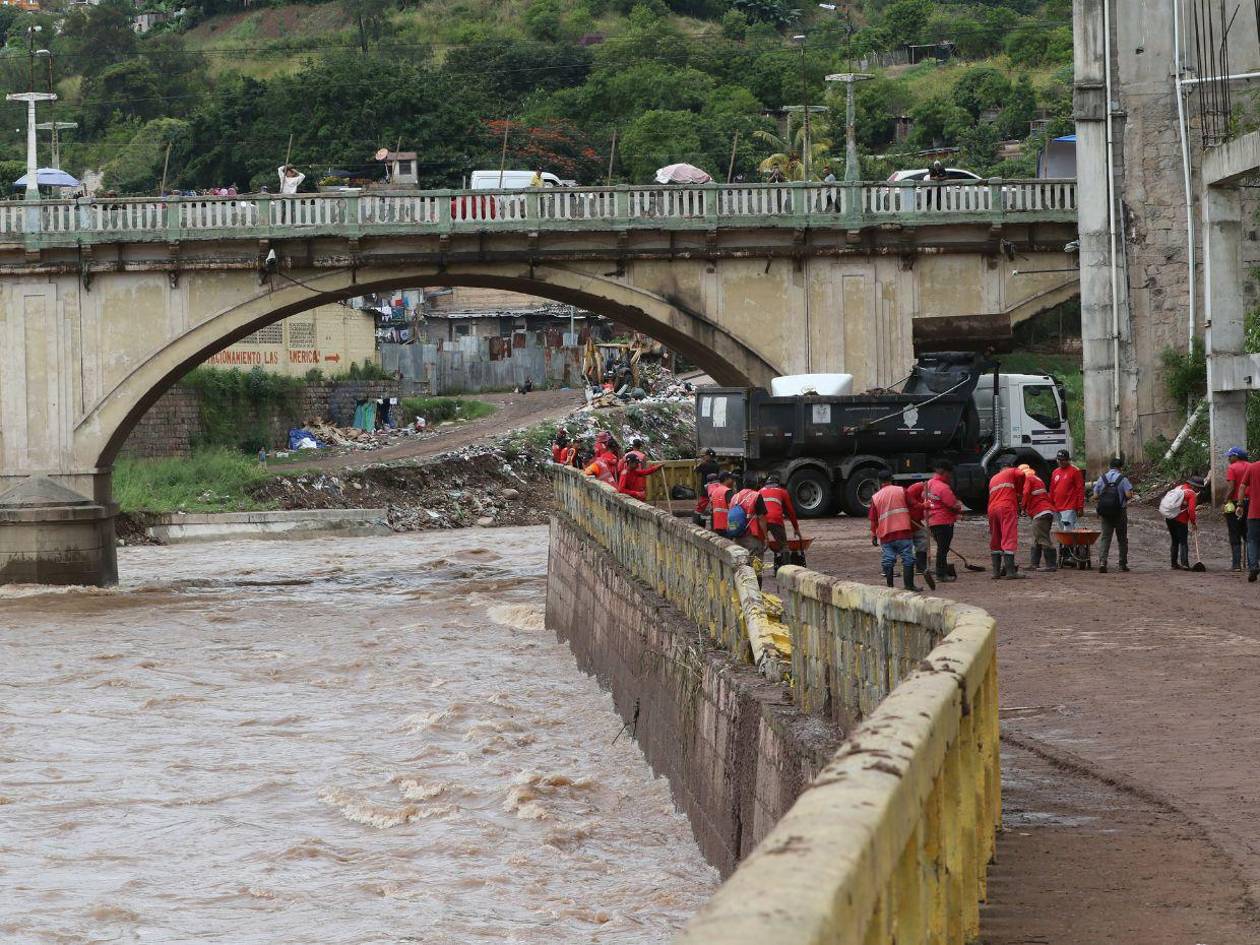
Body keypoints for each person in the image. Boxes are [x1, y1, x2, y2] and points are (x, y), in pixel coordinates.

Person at [869, 469, 920, 591]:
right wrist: (926, 505)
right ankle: (909, 585)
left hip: (886, 535)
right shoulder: (901, 491)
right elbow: (915, 504)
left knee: (888, 559)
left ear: (879, 481)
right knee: (908, 558)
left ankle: (890, 587)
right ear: (892, 479)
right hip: (903, 533)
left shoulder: (875, 497)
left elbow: (873, 520)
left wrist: (873, 535)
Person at [1092, 457, 1135, 574]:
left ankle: (1102, 562)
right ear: (1120, 468)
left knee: (1105, 538)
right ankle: (1122, 564)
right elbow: (1128, 494)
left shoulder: (1102, 478)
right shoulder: (1123, 479)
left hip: (1105, 513)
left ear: (1110, 467)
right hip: (1120, 512)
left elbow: (1095, 495)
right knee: (1122, 539)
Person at [925, 459, 963, 583]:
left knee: (942, 548)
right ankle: (941, 574)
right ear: (945, 472)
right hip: (944, 522)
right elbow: (952, 504)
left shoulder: (929, 484)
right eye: (949, 474)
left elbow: (923, 497)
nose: (950, 477)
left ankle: (942, 570)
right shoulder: (943, 487)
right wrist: (958, 507)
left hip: (932, 521)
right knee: (943, 549)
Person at [987, 458, 1026, 579]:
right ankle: (1010, 571)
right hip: (1006, 507)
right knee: (1009, 536)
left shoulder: (993, 478)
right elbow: (1021, 473)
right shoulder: (1011, 471)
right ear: (1009, 466)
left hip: (992, 509)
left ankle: (996, 572)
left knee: (996, 538)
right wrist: (1019, 491)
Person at [728, 478, 770, 580]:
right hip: (752, 537)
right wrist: (766, 538)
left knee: (741, 568)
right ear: (756, 485)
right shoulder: (756, 496)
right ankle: (757, 594)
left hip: (737, 537)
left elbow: (731, 517)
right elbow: (761, 519)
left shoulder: (735, 497)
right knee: (756, 569)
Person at [759, 473, 802, 570]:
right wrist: (796, 528)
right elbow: (790, 512)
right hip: (775, 519)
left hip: (761, 520)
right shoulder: (782, 492)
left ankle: (757, 570)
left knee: (758, 546)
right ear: (778, 484)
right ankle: (787, 569)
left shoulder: (760, 491)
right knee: (784, 546)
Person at [1020, 464, 1057, 572]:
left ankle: (1051, 565)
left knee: (1043, 539)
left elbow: (1026, 493)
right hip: (1046, 512)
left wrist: (1022, 507)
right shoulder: (1037, 479)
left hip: (1040, 513)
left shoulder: (1028, 479)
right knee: (1037, 539)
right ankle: (1034, 564)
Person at [1162, 475, 1203, 570]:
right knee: (1183, 542)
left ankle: (1174, 563)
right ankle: (1185, 564)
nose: (1198, 490)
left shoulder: (1178, 488)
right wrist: (1193, 522)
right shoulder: (1191, 494)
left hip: (1169, 518)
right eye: (1198, 488)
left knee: (1174, 541)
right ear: (1194, 486)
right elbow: (1192, 510)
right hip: (1181, 520)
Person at [904, 479, 937, 590]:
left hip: (916, 522)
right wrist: (923, 505)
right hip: (907, 522)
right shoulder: (915, 490)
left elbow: (929, 504)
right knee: (905, 547)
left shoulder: (926, 490)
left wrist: (928, 508)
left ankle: (921, 566)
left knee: (922, 541)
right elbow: (913, 504)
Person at [1234, 456, 1260, 582]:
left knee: (1252, 540)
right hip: (1253, 512)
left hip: (1254, 512)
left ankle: (1254, 566)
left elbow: (1242, 486)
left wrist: (1239, 504)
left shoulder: (1253, 466)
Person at [1225, 446, 1251, 571]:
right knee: (1249, 533)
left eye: (1230, 456)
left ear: (1236, 456)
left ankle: (1236, 565)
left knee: (1234, 532)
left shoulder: (1232, 468)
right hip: (1251, 503)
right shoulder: (1251, 467)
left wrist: (1225, 500)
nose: (1228, 458)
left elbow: (1231, 488)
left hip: (1235, 503)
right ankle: (1253, 564)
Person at [1049, 449, 1085, 533]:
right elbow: (1052, 489)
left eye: (1063, 460)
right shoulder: (1055, 472)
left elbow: (1080, 489)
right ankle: (1069, 545)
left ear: (1068, 460)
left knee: (1067, 531)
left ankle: (1069, 545)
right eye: (1059, 459)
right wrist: (1050, 504)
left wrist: (1080, 507)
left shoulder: (1075, 471)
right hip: (1057, 507)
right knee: (1063, 531)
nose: (1060, 462)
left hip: (1069, 507)